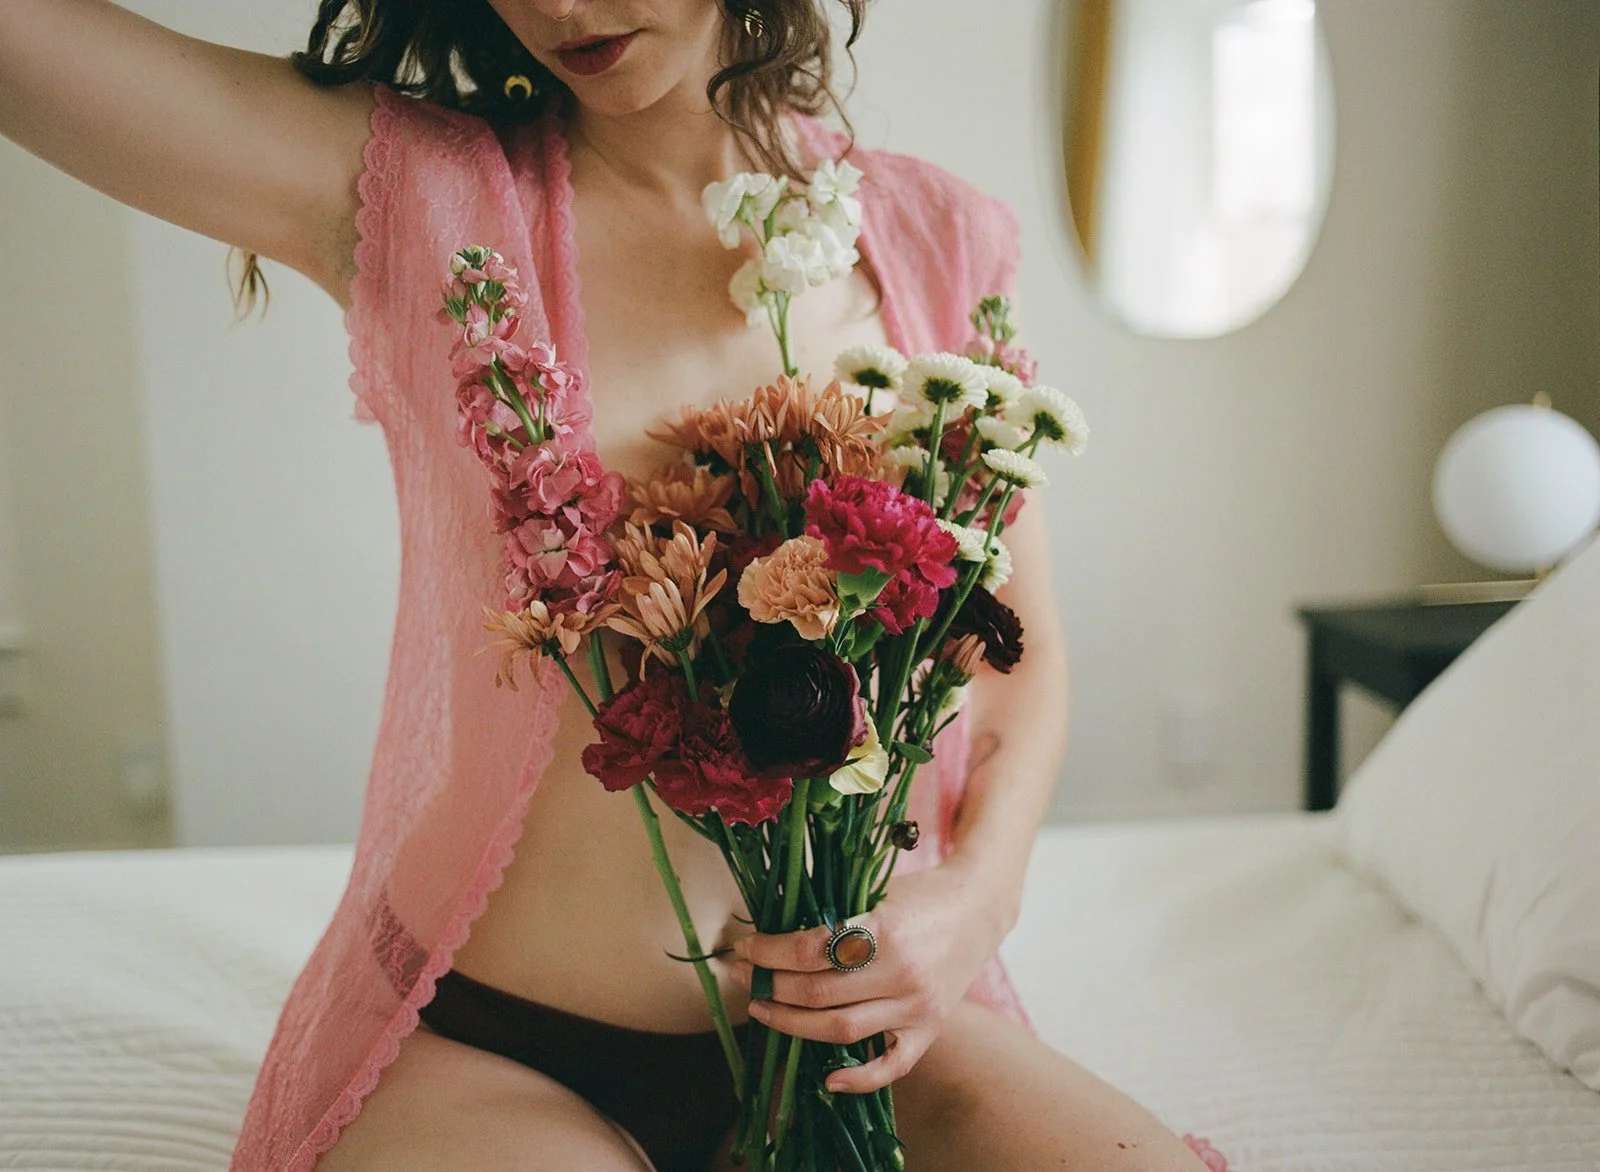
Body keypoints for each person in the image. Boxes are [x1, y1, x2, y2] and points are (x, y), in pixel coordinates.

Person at [1, 2, 1227, 1169]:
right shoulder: (426, 200)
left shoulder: (935, 238)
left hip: (850, 1029)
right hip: (509, 1048)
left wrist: (974, 903)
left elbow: (1015, 651)